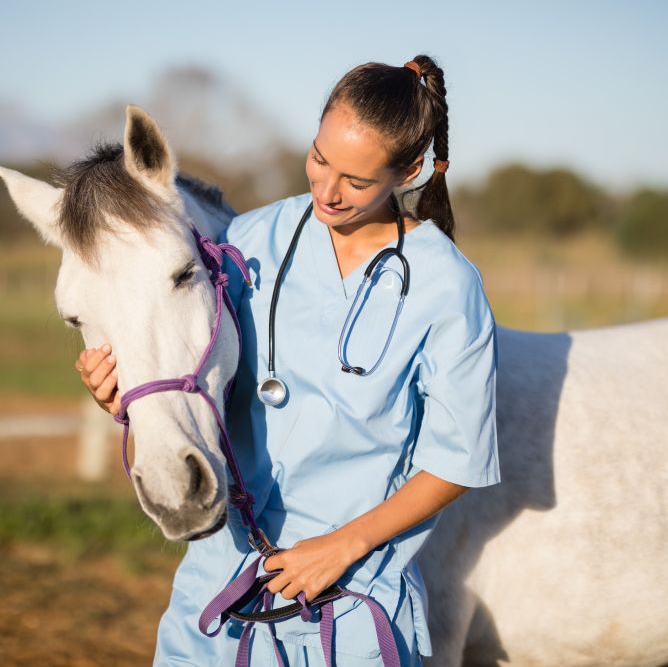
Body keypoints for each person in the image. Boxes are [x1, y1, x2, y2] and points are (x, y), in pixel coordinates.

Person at [76, 54, 501, 666]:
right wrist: (119, 393)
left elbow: (456, 461)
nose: (326, 192)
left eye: (356, 181)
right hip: (220, 590)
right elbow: (191, 373)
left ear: (408, 171)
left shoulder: (446, 286)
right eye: (319, 159)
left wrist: (340, 547)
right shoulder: (245, 242)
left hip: (349, 597)